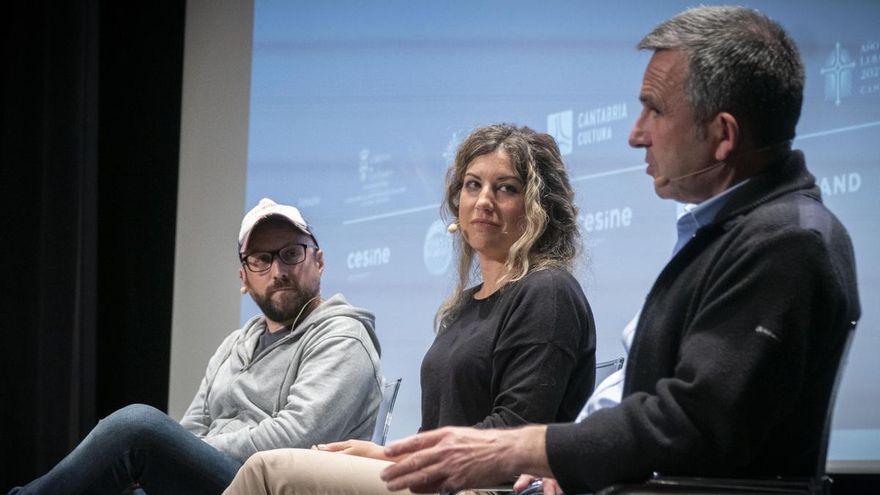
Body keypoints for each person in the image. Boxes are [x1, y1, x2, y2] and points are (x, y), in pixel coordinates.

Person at [378, 6, 861, 494]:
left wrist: (530, 449)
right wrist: (567, 456)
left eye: (655, 110)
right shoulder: (733, 236)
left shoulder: (785, 244)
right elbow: (648, 399)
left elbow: (692, 422)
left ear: (722, 135)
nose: (636, 134)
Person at [222, 123, 597, 495]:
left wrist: (399, 461)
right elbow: (438, 430)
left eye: (506, 188)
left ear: (538, 208)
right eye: (473, 185)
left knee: (267, 472)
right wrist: (384, 455)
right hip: (445, 483)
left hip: (489, 488)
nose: (484, 200)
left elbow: (515, 432)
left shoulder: (548, 291)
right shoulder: (465, 306)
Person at [10, 198, 383, 494]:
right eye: (261, 260)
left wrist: (180, 451)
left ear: (318, 261)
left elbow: (296, 439)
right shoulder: (235, 345)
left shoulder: (342, 337)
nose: (277, 271)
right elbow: (191, 428)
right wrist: (175, 457)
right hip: (222, 482)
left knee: (137, 427)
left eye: (291, 254)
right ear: (243, 278)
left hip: (274, 486)